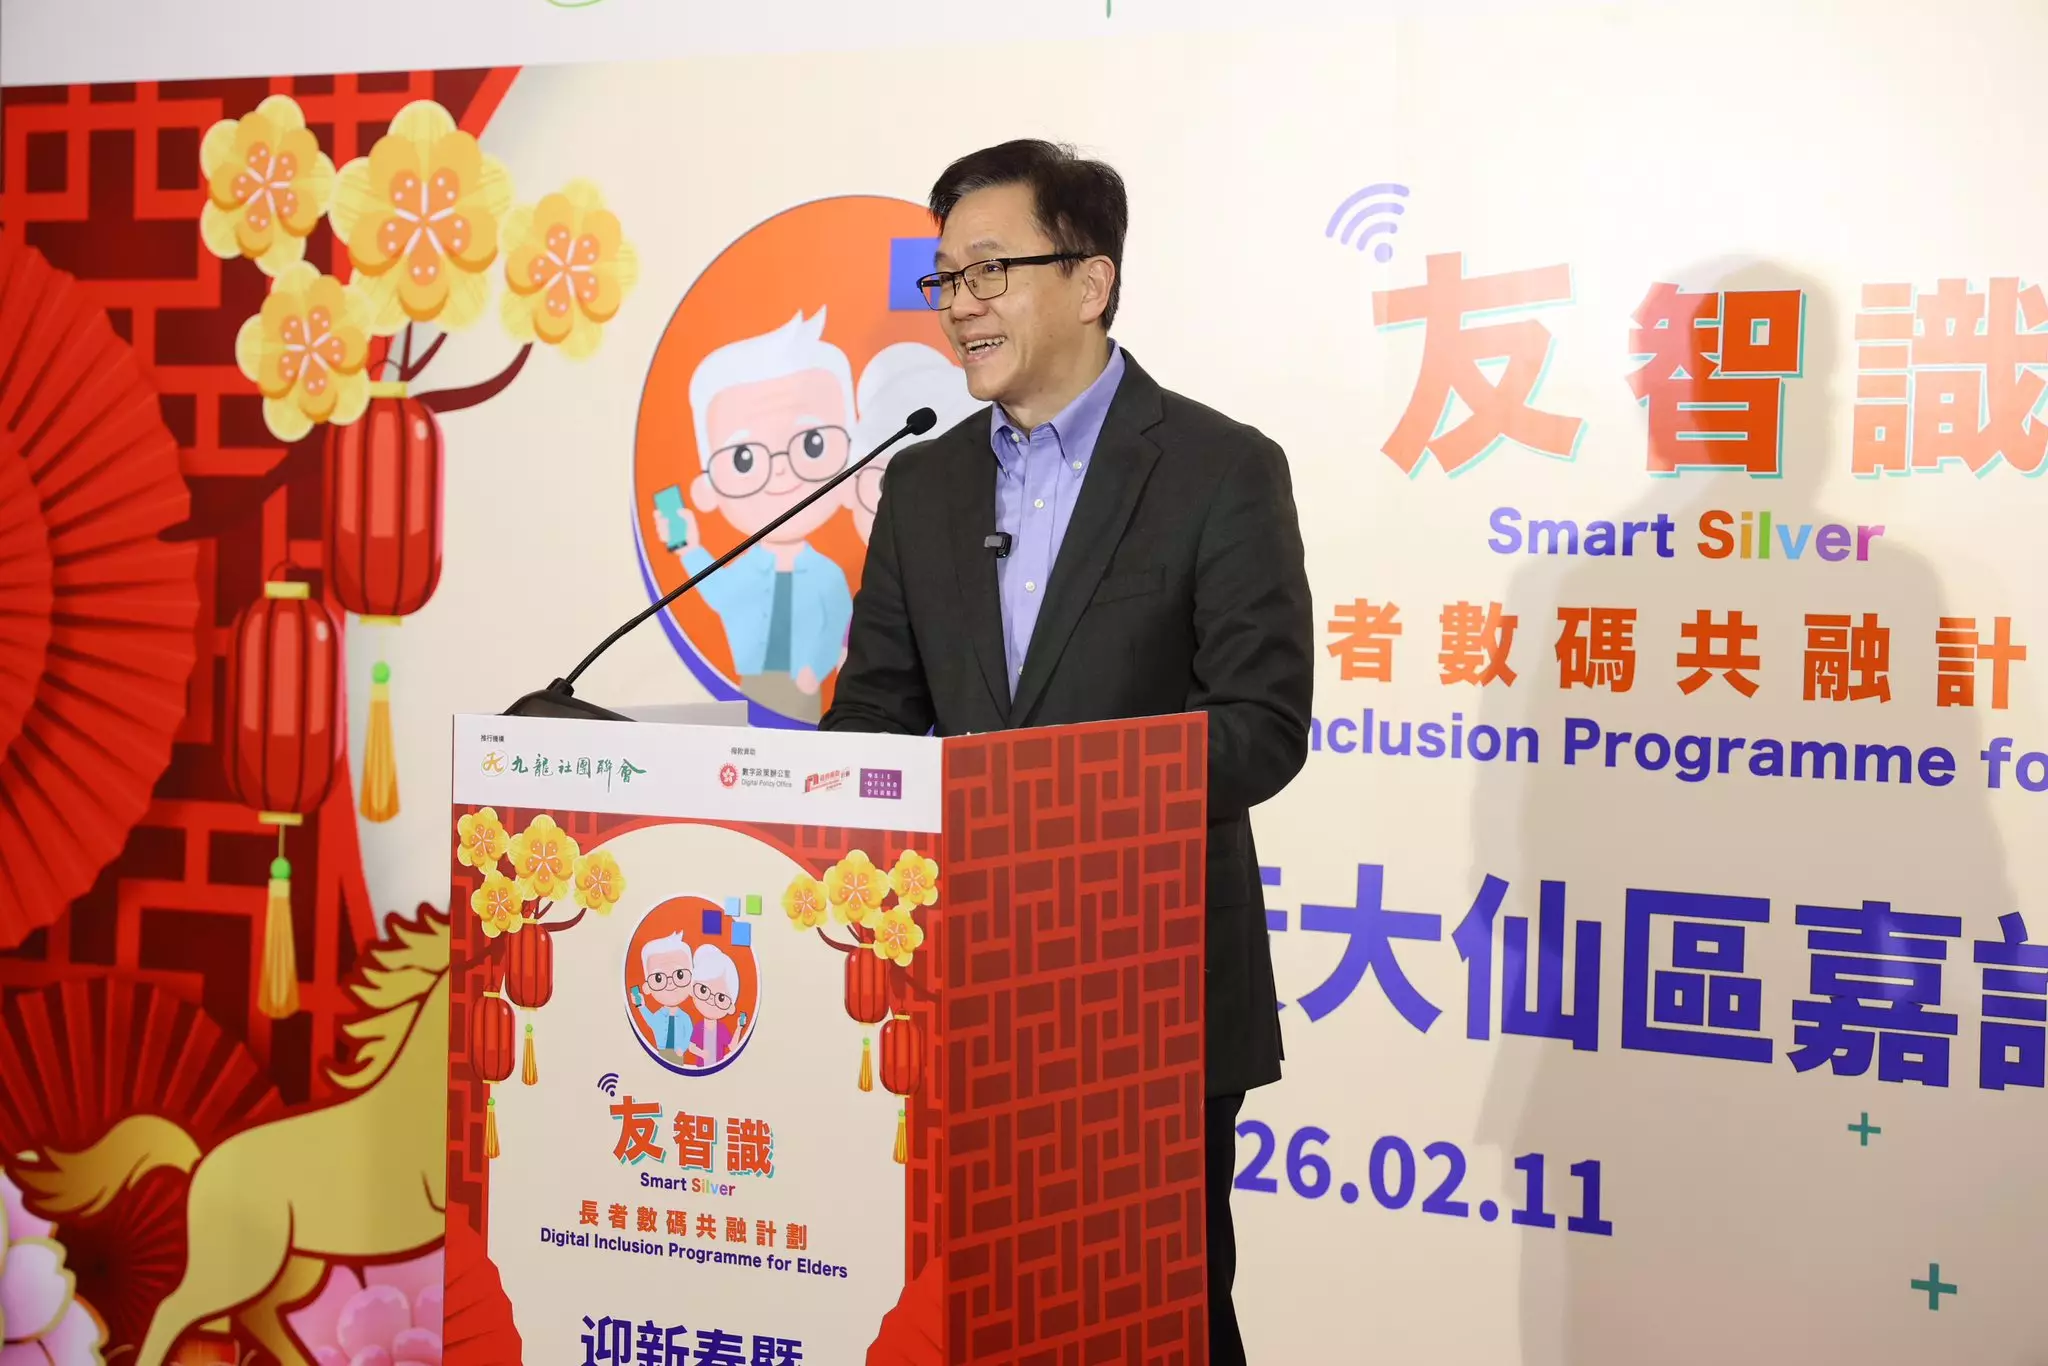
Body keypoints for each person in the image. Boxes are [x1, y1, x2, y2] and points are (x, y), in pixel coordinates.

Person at [821, 138, 1313, 1365]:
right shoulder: (923, 486)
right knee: (974, 1311)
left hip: (1148, 986)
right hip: (956, 987)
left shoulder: (1217, 469)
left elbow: (1259, 725)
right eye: (945, 278)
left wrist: (1052, 796)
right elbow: (872, 718)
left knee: (1155, 1320)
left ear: (1090, 281)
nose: (959, 304)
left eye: (989, 270)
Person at [659, 309, 857, 724]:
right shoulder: (748, 569)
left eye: (812, 444)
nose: (781, 471)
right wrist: (688, 549)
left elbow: (835, 622)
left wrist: (813, 670)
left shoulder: (827, 575)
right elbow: (721, 593)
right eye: (744, 458)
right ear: (707, 488)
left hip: (807, 690)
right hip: (752, 681)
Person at [630, 931, 695, 1064]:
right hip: (660, 1053)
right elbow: (650, 1021)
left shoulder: (685, 1017)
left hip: (678, 1054)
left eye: (680, 975)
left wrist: (682, 1048)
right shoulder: (659, 1016)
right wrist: (641, 1005)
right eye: (658, 978)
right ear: (647, 987)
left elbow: (688, 1032)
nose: (670, 983)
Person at [685, 941, 747, 1068]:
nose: (710, 1000)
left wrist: (739, 1028)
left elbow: (732, 1047)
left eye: (721, 998)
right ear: (692, 990)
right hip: (700, 1070)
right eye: (703, 990)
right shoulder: (699, 1028)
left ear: (730, 1007)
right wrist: (701, 1053)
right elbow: (691, 1047)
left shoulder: (722, 1030)